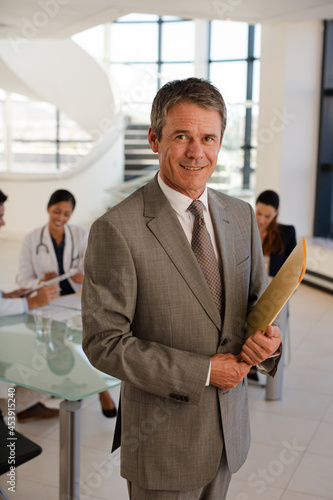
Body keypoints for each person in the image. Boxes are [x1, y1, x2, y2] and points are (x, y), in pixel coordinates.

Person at [82, 78, 282, 500]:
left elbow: (259, 308)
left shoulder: (240, 215)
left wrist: (270, 344)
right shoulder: (116, 229)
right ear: (155, 139)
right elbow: (104, 343)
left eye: (208, 137)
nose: (197, 152)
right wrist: (206, 371)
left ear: (221, 142)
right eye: (181, 137)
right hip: (162, 447)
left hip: (229, 434)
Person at [16, 189, 116, 418]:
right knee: (59, 349)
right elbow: (22, 279)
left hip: (77, 302)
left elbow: (100, 270)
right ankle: (96, 392)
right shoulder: (32, 239)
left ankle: (95, 388)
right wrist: (41, 281)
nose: (61, 218)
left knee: (87, 345)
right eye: (56, 212)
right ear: (48, 209)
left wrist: (86, 277)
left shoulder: (82, 235)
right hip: (48, 305)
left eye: (67, 214)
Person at [0, 189, 59, 422]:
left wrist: (7, 295)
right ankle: (11, 409)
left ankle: (23, 405)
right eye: (0, 216)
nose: (3, 222)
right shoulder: (32, 238)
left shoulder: (79, 234)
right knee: (46, 363)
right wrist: (30, 302)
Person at [248, 190, 297, 384]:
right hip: (247, 291)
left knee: (265, 329)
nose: (261, 219)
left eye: (267, 216)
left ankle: (258, 365)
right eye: (258, 213)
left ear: (276, 213)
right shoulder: (246, 227)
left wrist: (274, 279)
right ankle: (249, 366)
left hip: (272, 295)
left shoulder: (286, 233)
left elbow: (292, 270)